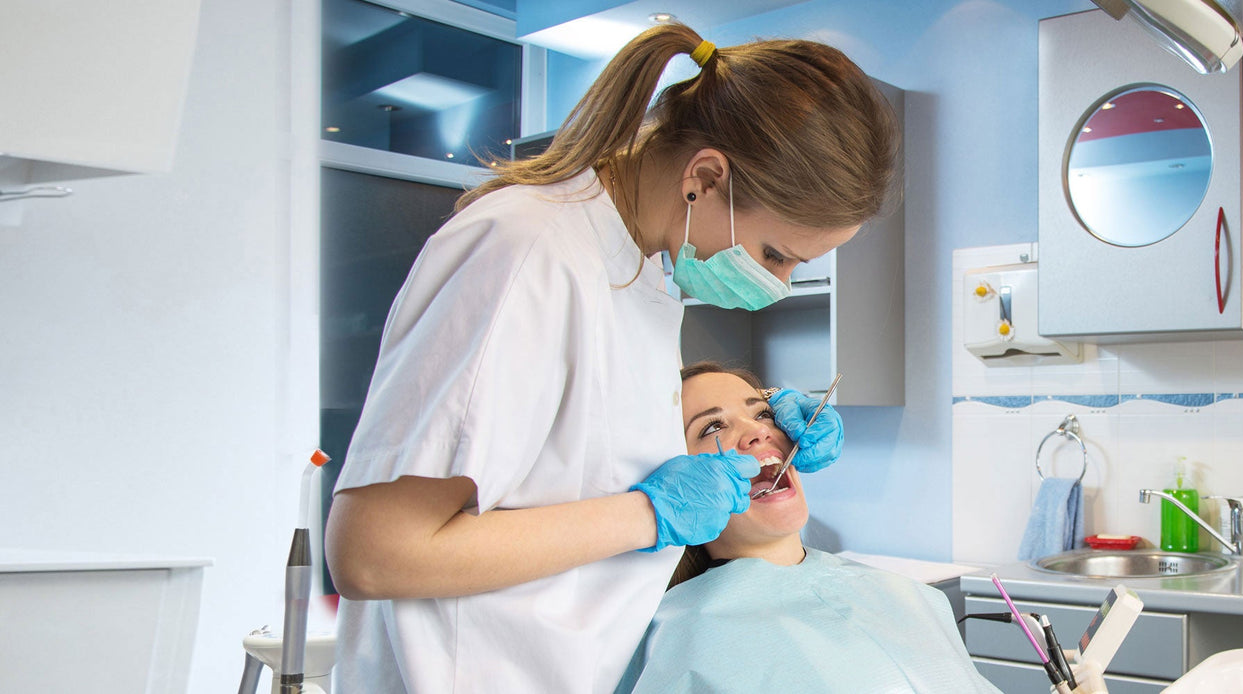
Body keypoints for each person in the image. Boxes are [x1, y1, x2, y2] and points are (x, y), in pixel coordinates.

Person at [322, 23, 899, 694]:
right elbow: (372, 553)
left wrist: (759, 424)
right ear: (706, 178)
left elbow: (566, 470)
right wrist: (651, 513)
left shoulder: (639, 273)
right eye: (776, 254)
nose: (776, 284)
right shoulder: (528, 249)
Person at [618, 363, 1001, 694]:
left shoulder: (910, 596)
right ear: (674, 478)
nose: (757, 432)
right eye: (712, 426)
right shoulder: (686, 641)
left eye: (764, 414)